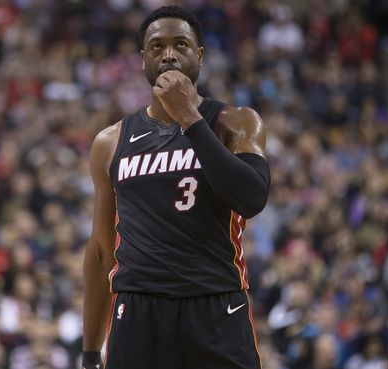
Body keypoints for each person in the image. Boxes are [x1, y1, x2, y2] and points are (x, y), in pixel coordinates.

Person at [82, 5, 270, 369]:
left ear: (199, 56)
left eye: (180, 44)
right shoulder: (111, 141)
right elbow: (102, 252)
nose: (168, 54)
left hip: (215, 304)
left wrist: (189, 118)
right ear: (142, 60)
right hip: (137, 310)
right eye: (156, 47)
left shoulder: (236, 122)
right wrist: (91, 352)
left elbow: (252, 198)